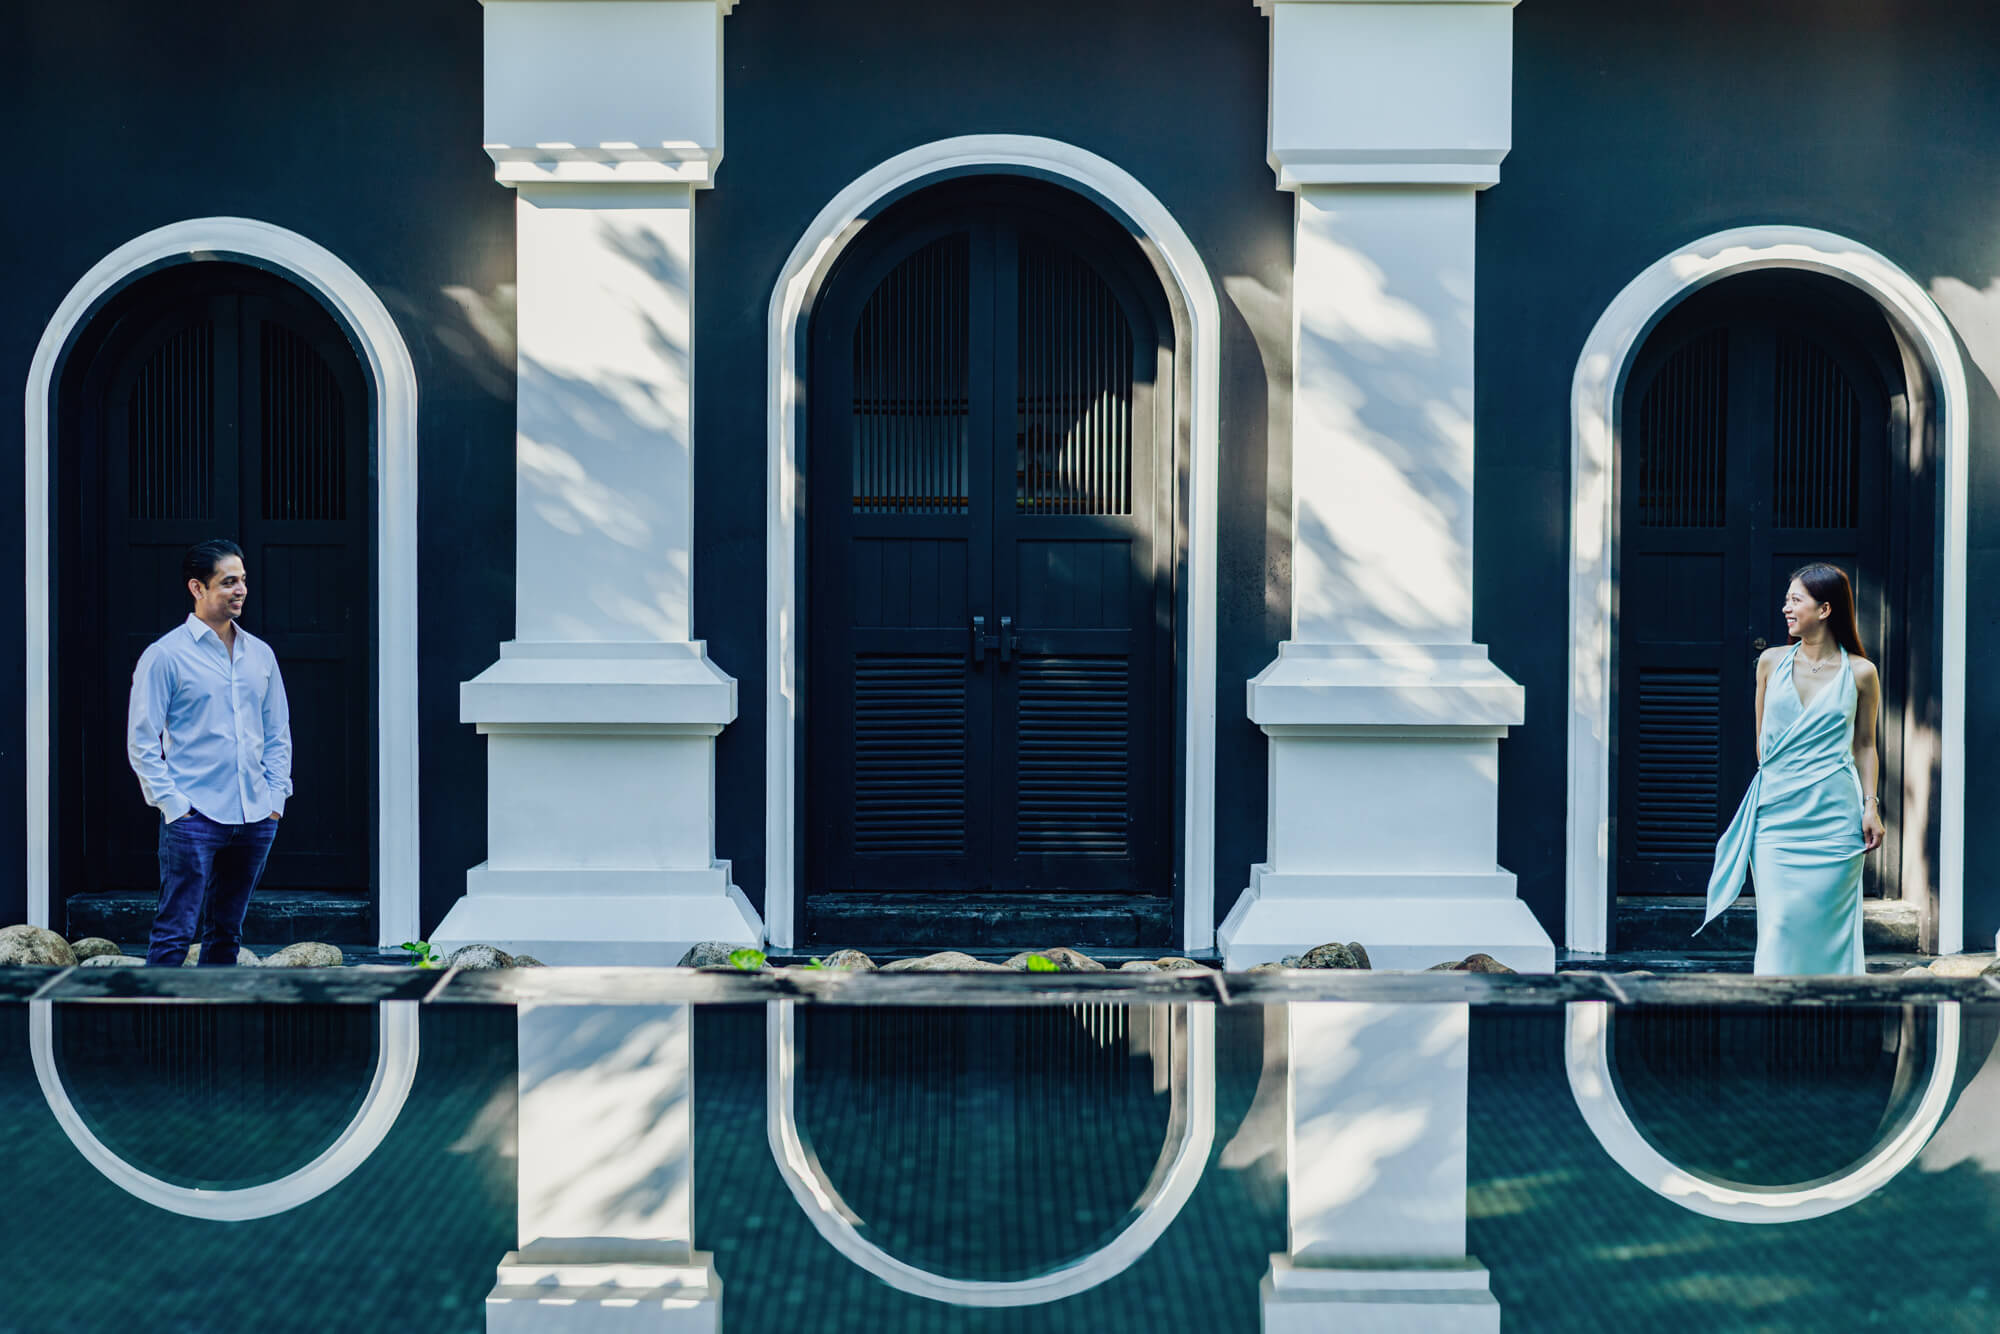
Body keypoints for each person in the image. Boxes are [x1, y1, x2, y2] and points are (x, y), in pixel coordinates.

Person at [1701, 563, 1883, 975]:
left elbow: (1866, 745)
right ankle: (1776, 1023)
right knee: (1779, 926)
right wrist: (1783, 782)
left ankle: (1835, 1022)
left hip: (1835, 818)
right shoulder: (1770, 662)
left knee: (1830, 930)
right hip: (1778, 817)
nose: (1786, 607)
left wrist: (1870, 806)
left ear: (1824, 609)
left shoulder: (1861, 673)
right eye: (1786, 599)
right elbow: (1764, 744)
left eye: (1795, 599)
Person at [126, 539, 292, 966]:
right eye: (229, 582)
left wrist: (275, 799)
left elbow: (276, 733)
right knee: (173, 934)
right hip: (194, 817)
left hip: (256, 816)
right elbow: (142, 741)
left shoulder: (261, 655)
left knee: (226, 936)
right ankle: (157, 1030)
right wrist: (173, 805)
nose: (241, 590)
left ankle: (214, 1029)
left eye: (243, 581)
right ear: (197, 588)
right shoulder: (165, 656)